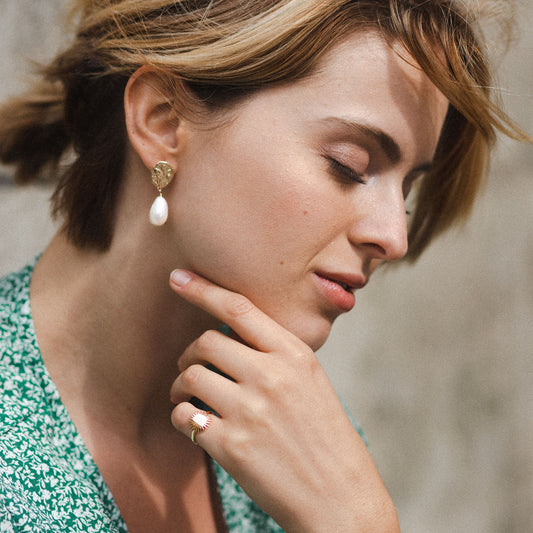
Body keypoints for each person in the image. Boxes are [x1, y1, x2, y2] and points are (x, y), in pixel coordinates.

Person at [0, 0, 530, 531]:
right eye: (348, 166)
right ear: (163, 122)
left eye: (407, 191)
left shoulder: (292, 438)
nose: (394, 238)